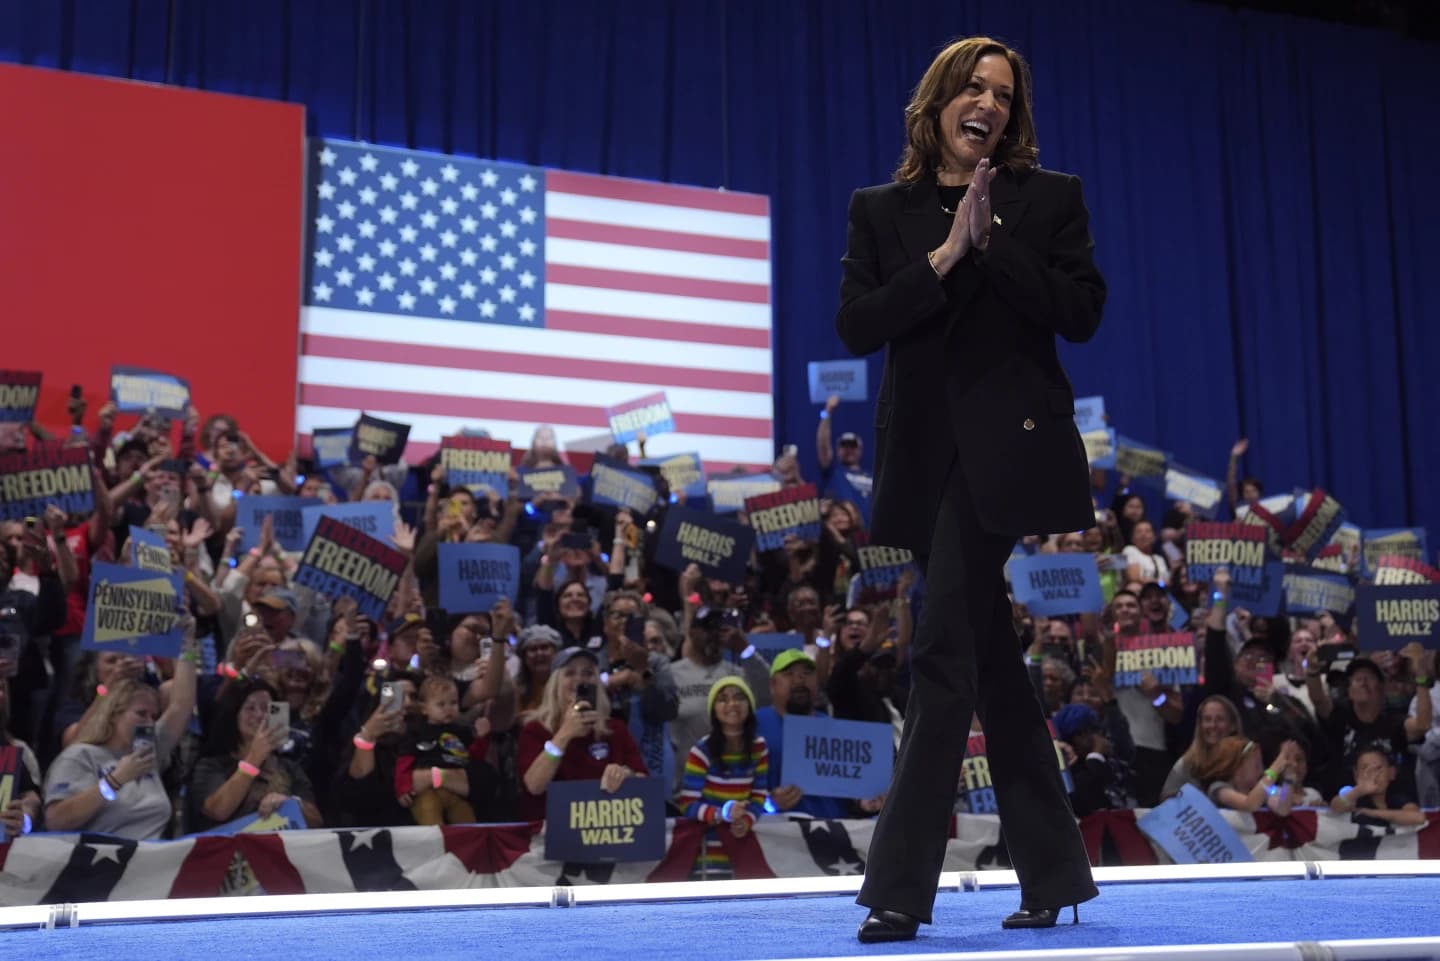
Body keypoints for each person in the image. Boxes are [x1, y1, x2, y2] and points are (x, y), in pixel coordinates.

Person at [838, 35, 1104, 941]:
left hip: (1011, 460)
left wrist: (992, 245)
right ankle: (1057, 873)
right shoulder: (882, 209)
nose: (986, 100)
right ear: (940, 101)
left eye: (1003, 90)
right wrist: (946, 253)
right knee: (989, 662)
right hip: (924, 463)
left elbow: (1083, 311)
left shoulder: (1048, 199)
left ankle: (898, 888)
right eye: (972, 85)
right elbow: (856, 323)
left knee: (943, 652)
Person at [514, 648, 646, 821]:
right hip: (552, 831)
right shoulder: (535, 730)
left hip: (605, 828)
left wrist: (626, 774)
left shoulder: (615, 729)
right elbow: (534, 786)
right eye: (570, 673)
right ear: (555, 684)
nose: (580, 679)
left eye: (588, 673)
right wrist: (564, 735)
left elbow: (644, 781)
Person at [677, 677, 770, 879]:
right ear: (714, 710)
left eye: (739, 697)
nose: (732, 704)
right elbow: (688, 804)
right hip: (707, 847)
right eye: (723, 699)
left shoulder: (759, 747)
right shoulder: (701, 750)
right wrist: (723, 813)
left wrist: (746, 819)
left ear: (749, 705)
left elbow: (758, 797)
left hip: (742, 840)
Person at [1328, 743, 1425, 826]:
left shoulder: (1397, 797)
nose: (1372, 774)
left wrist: (1373, 813)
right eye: (1365, 768)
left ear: (1392, 772)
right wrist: (1359, 790)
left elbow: (1418, 818)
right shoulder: (1354, 796)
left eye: (1378, 768)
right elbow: (1335, 807)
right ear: (1356, 774)